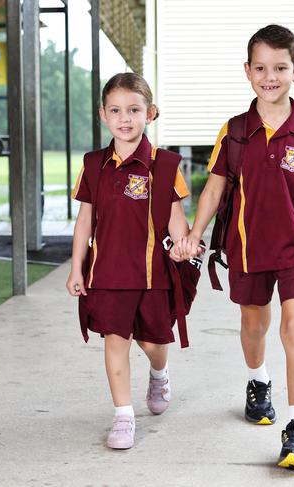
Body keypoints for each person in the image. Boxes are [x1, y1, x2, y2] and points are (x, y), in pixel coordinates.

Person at [176, 24, 294, 469]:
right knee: (254, 328)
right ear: (247, 71)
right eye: (261, 67)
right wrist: (195, 233)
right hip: (248, 251)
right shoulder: (234, 132)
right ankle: (258, 382)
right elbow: (214, 190)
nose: (269, 76)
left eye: (280, 68)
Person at [66, 72, 191, 450]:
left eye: (134, 109)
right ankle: (123, 416)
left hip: (153, 275)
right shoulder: (92, 164)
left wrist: (183, 245)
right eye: (117, 110)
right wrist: (76, 267)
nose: (125, 118)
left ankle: (159, 371)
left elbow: (176, 219)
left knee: (153, 341)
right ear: (104, 114)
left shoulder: (166, 165)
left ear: (150, 113)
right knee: (115, 340)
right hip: (107, 274)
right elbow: (85, 219)